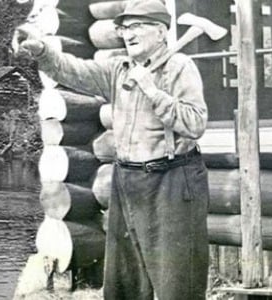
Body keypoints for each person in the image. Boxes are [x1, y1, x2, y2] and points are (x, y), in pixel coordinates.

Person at [15, 0, 209, 299]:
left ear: (160, 31)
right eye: (123, 28)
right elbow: (73, 70)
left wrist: (153, 92)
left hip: (172, 179)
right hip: (127, 179)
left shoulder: (180, 68)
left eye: (136, 26)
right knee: (124, 281)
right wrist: (42, 51)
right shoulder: (119, 70)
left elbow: (195, 123)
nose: (126, 34)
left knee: (176, 281)